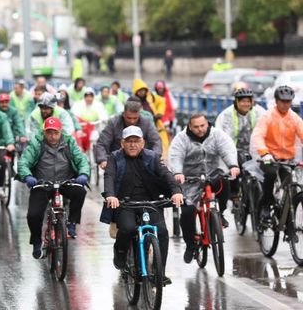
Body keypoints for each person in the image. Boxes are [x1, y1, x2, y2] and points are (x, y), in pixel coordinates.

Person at [102, 126, 183, 284]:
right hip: (125, 204)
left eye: (136, 141)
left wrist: (176, 191)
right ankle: (120, 252)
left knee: (162, 232)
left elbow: (166, 174)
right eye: (129, 141)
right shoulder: (115, 157)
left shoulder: (152, 156)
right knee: (128, 228)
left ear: (143, 143)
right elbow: (109, 176)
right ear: (122, 144)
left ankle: (160, 273)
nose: (133, 144)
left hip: (150, 203)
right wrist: (111, 195)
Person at [168, 113, 239, 262]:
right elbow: (176, 156)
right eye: (196, 127)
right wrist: (178, 172)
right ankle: (190, 245)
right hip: (189, 179)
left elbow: (227, 149)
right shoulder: (181, 138)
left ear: (207, 124)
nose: (200, 129)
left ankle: (221, 213)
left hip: (212, 175)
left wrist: (232, 165)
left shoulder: (217, 135)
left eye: (203, 126)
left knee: (225, 183)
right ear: (189, 126)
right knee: (187, 212)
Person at [18, 117, 89, 257]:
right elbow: (24, 161)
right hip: (42, 183)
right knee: (33, 215)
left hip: (65, 181)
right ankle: (37, 241)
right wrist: (28, 177)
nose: (52, 136)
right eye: (49, 132)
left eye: (55, 132)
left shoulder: (69, 142)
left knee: (80, 192)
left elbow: (81, 160)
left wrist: (83, 174)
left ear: (60, 132)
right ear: (44, 132)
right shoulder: (37, 144)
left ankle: (72, 222)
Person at [251, 85, 303, 219]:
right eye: (283, 101)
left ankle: (287, 218)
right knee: (271, 174)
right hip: (269, 157)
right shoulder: (267, 116)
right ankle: (266, 205)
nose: (286, 104)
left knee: (291, 183)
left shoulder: (294, 118)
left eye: (288, 101)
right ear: (276, 101)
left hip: (287, 158)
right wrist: (264, 153)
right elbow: (258, 136)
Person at [94, 99, 163, 170]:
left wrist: (155, 158)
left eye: (135, 118)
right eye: (129, 118)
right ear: (123, 114)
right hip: (118, 162)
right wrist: (103, 160)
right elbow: (102, 143)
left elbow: (156, 141)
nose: (132, 121)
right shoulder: (113, 123)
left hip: (142, 162)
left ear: (139, 114)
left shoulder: (146, 123)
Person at [132, 79, 169, 157]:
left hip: (155, 128)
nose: (142, 92)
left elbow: (162, 101)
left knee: (160, 150)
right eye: (140, 91)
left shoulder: (151, 98)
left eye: (143, 90)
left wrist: (159, 113)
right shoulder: (133, 102)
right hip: (140, 132)